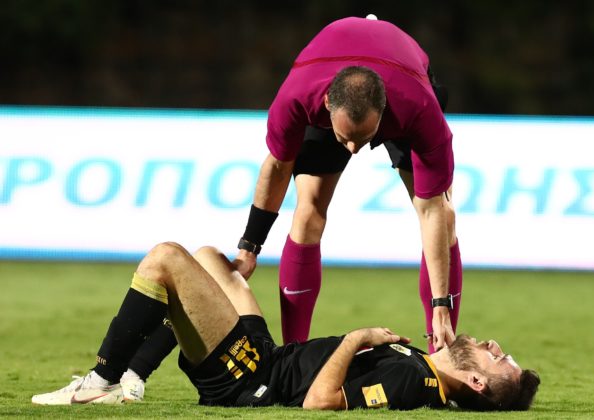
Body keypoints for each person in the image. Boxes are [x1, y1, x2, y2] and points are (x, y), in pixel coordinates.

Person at [32, 242, 540, 410]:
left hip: (250, 379)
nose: (494, 345)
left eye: (499, 358)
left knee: (165, 259)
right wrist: (446, 345)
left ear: (477, 382)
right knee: (209, 260)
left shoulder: (414, 382)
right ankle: (134, 376)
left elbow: (320, 401)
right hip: (268, 356)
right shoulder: (425, 367)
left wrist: (357, 338)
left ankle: (101, 381)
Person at [232, 16, 461, 352]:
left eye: (363, 137)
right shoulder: (296, 99)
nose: (353, 149)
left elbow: (433, 212)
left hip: (406, 77)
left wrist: (442, 305)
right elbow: (277, 168)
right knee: (308, 212)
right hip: (329, 81)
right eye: (345, 137)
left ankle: (441, 352)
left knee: (445, 216)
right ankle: (295, 355)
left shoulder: (419, 111)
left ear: (384, 111)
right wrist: (249, 249)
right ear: (327, 104)